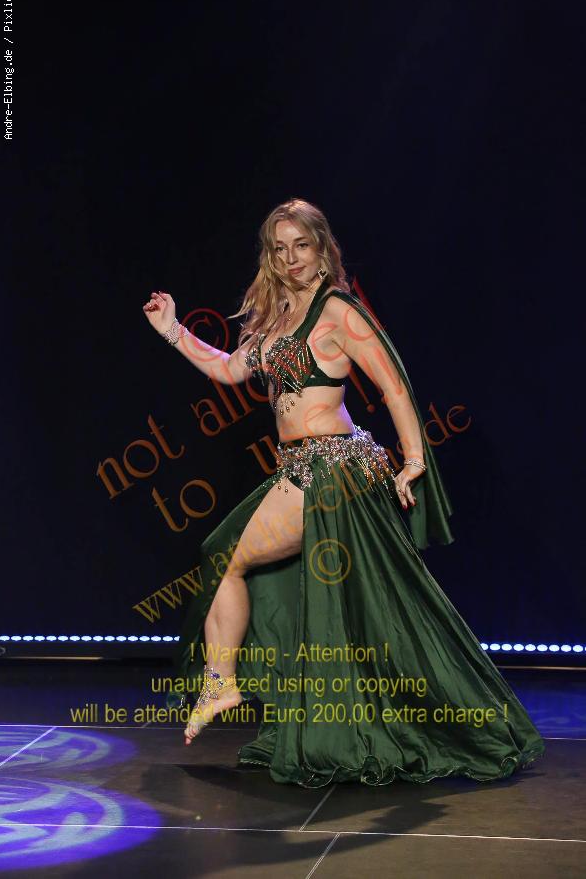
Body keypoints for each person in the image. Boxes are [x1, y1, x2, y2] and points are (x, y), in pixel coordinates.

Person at [142, 197, 545, 788]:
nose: (291, 258)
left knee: (227, 558)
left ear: (322, 248)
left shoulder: (337, 310)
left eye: (301, 246)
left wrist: (413, 459)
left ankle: (221, 682)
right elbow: (229, 369)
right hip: (299, 468)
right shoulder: (277, 318)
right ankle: (234, 686)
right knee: (365, 608)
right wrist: (173, 331)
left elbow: (393, 385)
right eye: (280, 249)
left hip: (332, 470)